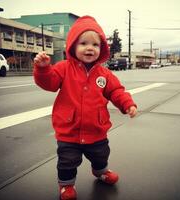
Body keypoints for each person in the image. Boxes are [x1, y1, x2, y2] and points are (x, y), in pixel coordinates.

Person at [33, 15, 137, 200]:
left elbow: (116, 91)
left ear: (102, 48)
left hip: (96, 130)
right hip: (69, 130)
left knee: (101, 154)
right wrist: (43, 69)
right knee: (67, 161)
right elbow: (49, 83)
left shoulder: (104, 73)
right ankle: (66, 186)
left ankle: (101, 171)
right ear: (73, 46)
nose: (90, 48)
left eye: (95, 45)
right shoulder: (63, 68)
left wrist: (127, 104)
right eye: (83, 43)